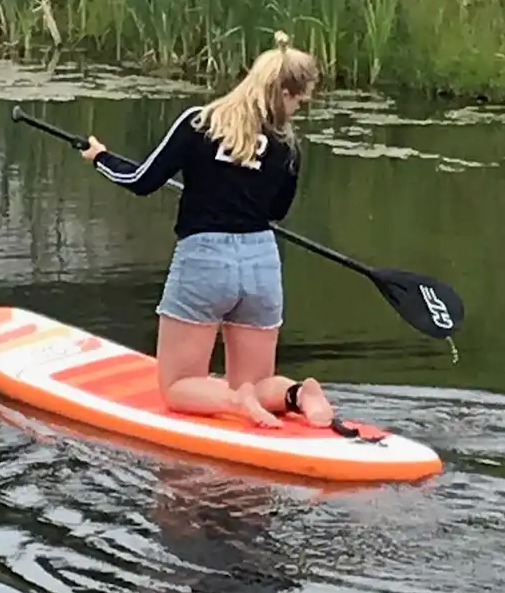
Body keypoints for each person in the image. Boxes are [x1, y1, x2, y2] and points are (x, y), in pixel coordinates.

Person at [79, 31, 335, 429]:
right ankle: (296, 394)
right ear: (283, 93)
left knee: (177, 386)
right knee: (259, 381)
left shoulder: (198, 122)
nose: (297, 109)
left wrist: (101, 157)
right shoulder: (287, 146)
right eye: (299, 100)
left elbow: (141, 181)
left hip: (205, 260)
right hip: (261, 262)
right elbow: (276, 212)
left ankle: (236, 400)